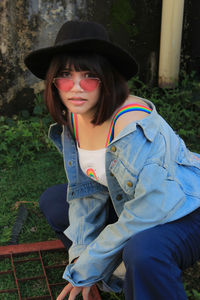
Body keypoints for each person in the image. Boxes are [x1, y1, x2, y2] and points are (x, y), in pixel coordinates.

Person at [24, 20, 200, 300]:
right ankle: (115, 273)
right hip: (133, 202)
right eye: (66, 75)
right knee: (55, 202)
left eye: (89, 76)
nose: (76, 88)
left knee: (142, 251)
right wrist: (79, 257)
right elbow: (86, 192)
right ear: (54, 82)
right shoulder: (75, 117)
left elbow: (147, 211)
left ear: (107, 79)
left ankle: (140, 273)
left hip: (183, 209)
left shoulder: (132, 124)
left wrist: (92, 263)